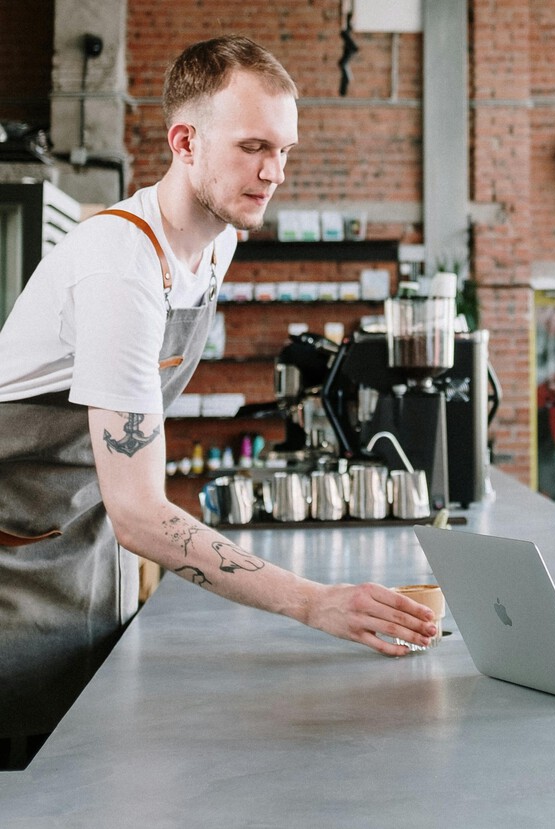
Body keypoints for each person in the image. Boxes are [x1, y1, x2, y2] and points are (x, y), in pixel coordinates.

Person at [0, 35, 436, 769]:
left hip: (79, 541)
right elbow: (140, 511)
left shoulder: (216, 242)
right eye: (254, 146)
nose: (274, 173)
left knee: (83, 765)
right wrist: (311, 601)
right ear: (185, 142)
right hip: (13, 562)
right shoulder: (119, 269)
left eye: (285, 150)